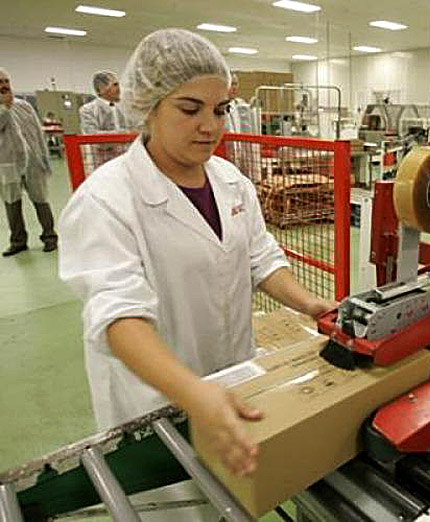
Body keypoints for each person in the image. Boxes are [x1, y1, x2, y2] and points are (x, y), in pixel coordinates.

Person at [58, 29, 334, 517]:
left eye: (220, 110)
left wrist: (311, 304)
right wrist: (193, 393)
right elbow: (117, 315)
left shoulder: (231, 182)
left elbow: (261, 257)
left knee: (231, 503)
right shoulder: (105, 201)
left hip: (233, 379)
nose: (210, 126)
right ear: (148, 107)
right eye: (190, 109)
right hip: (154, 403)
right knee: (178, 509)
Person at [0, 67, 57, 256]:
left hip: (33, 161)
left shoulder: (24, 106)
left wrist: (44, 157)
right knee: (12, 203)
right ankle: (18, 241)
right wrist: (5, 108)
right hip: (7, 164)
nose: (4, 85)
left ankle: (50, 237)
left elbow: (38, 133)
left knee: (40, 199)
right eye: (0, 82)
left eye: (6, 81)